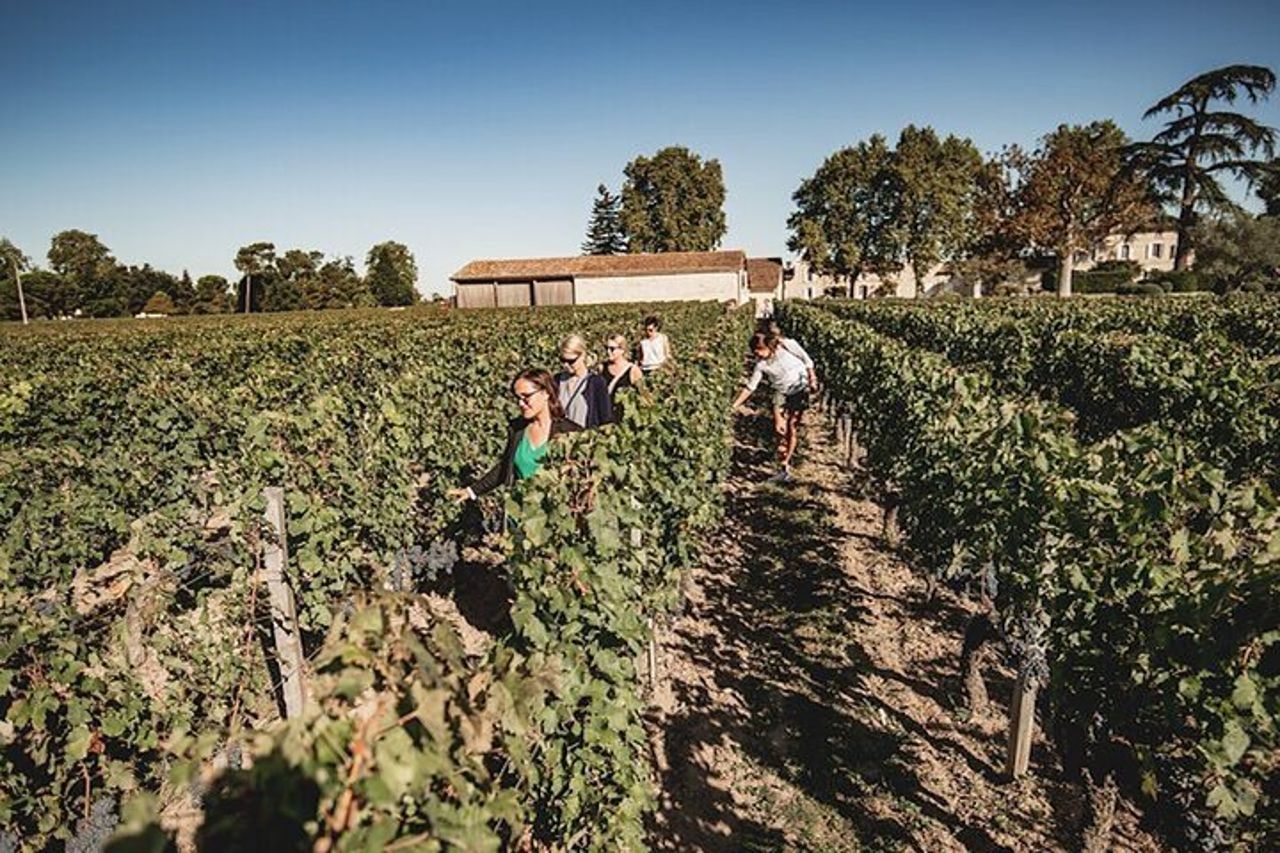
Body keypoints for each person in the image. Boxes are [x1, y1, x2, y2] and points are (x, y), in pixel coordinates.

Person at [447, 368, 581, 502]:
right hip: (519, 513)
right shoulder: (518, 429)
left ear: (545, 393)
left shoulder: (570, 432)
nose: (520, 404)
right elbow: (505, 467)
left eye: (526, 397)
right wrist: (471, 491)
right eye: (518, 398)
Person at [731, 330, 818, 483]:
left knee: (791, 426)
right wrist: (735, 405)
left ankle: (785, 465)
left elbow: (807, 360)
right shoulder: (761, 365)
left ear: (769, 346)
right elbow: (751, 387)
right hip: (781, 392)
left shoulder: (787, 345)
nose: (757, 354)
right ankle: (781, 459)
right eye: (755, 351)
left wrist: (812, 378)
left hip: (799, 388)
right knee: (779, 428)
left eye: (759, 350)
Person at [556, 334, 612, 428]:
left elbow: (605, 419)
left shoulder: (596, 383)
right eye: (562, 360)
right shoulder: (556, 380)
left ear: (582, 356)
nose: (565, 365)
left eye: (571, 361)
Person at [601, 332, 643, 423]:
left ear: (622, 350)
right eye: (606, 348)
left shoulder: (633, 371)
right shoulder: (602, 367)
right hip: (604, 418)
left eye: (612, 349)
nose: (608, 352)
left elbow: (642, 397)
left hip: (623, 421)